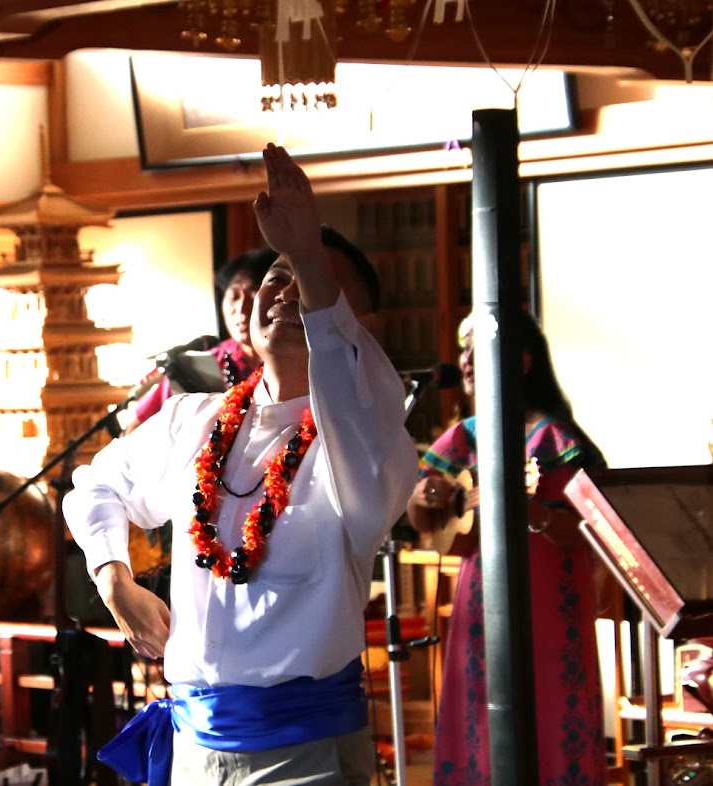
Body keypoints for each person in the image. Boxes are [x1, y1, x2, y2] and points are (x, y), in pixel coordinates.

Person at [63, 144, 417, 786]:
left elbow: (349, 381)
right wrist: (114, 580)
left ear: (358, 324)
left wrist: (306, 249)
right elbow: (96, 486)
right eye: (277, 274)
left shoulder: (369, 444)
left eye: (311, 279)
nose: (287, 290)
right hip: (194, 744)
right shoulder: (192, 418)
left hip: (306, 754)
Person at [406, 310, 606, 786]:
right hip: (480, 600)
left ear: (521, 360)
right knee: (479, 707)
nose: (465, 359)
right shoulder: (464, 436)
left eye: (478, 348)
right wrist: (423, 498)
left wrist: (530, 512)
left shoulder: (553, 438)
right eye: (463, 349)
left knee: (550, 709)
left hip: (548, 603)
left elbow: (589, 527)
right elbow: (427, 524)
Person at [130, 248, 276, 426]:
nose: (241, 309)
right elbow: (137, 425)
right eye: (234, 296)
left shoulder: (293, 362)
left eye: (253, 295)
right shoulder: (195, 367)